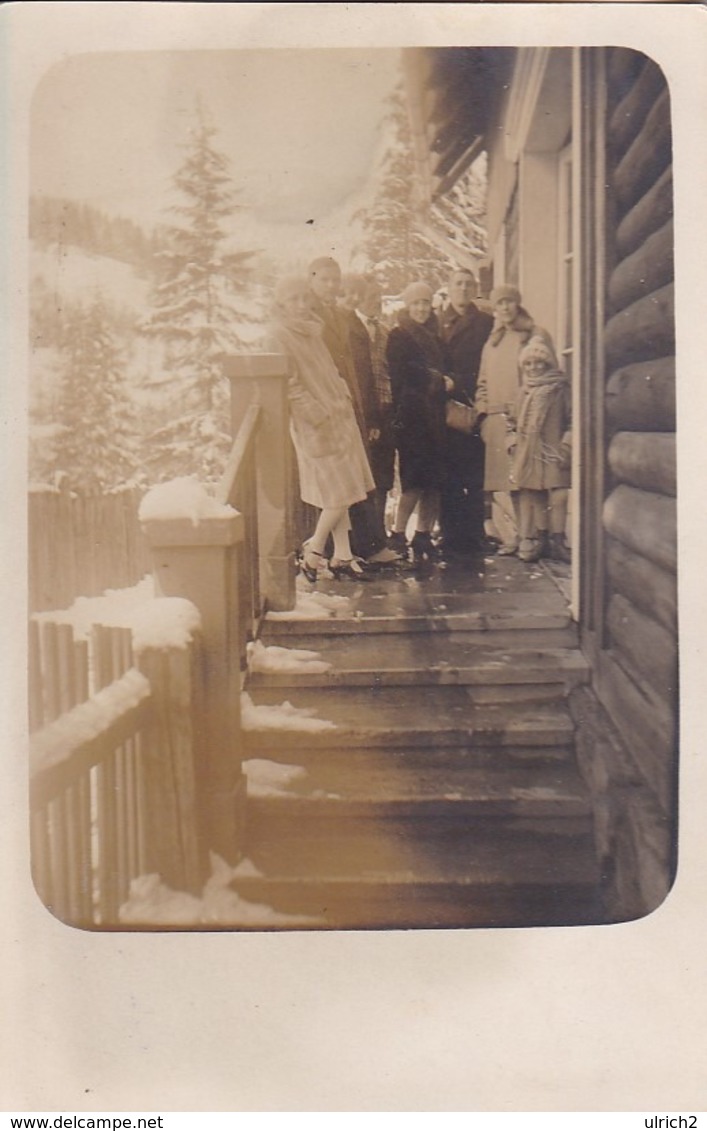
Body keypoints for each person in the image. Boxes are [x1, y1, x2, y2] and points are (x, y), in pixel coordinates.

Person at [268, 276, 375, 581]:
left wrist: (341, 396)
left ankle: (341, 555)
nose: (302, 305)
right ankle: (313, 552)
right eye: (294, 300)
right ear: (281, 304)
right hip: (315, 423)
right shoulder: (278, 335)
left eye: (305, 298)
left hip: (338, 417)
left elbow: (330, 370)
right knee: (338, 493)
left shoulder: (313, 330)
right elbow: (289, 384)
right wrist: (317, 413)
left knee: (344, 488)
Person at [308, 257, 399, 566]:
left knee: (356, 478)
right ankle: (336, 551)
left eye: (336, 280)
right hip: (325, 407)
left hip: (350, 403)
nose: (332, 286)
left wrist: (369, 414)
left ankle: (358, 549)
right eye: (325, 280)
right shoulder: (309, 315)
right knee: (338, 481)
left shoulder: (339, 315)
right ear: (312, 281)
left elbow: (361, 369)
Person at [475, 284, 554, 556]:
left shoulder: (535, 334)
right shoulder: (492, 342)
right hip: (498, 420)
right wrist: (483, 415)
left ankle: (536, 537)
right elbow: (482, 383)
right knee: (511, 483)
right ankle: (520, 535)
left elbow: (549, 375)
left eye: (510, 302)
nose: (505, 307)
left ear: (517, 304)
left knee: (530, 481)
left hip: (529, 418)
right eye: (500, 303)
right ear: (495, 309)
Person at [385, 281, 454, 561]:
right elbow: (403, 372)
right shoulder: (398, 335)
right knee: (413, 480)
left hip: (435, 417)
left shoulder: (436, 337)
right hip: (412, 417)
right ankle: (399, 533)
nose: (421, 309)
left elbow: (447, 367)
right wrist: (436, 379)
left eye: (425, 303)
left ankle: (423, 534)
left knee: (434, 481)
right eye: (416, 303)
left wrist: (449, 380)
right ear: (408, 306)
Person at [437, 267, 494, 555]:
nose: (463, 288)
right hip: (444, 407)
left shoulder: (486, 322)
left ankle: (473, 535)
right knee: (447, 473)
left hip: (473, 406)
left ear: (474, 290)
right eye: (457, 283)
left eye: (468, 284)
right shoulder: (436, 322)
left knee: (474, 474)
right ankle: (448, 535)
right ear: (449, 287)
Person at [341, 275, 398, 544]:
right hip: (365, 412)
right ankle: (365, 538)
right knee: (365, 475)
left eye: (379, 298)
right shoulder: (351, 330)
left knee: (384, 475)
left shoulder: (385, 331)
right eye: (369, 297)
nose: (375, 303)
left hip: (387, 410)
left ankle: (379, 534)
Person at [506, 337, 572, 563]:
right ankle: (542, 540)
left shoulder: (560, 389)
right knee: (536, 494)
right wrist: (513, 444)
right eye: (528, 364)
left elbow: (572, 419)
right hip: (529, 451)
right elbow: (512, 422)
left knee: (560, 494)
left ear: (547, 364)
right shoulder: (524, 392)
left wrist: (567, 445)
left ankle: (558, 540)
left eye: (538, 363)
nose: (533, 368)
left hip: (555, 450)